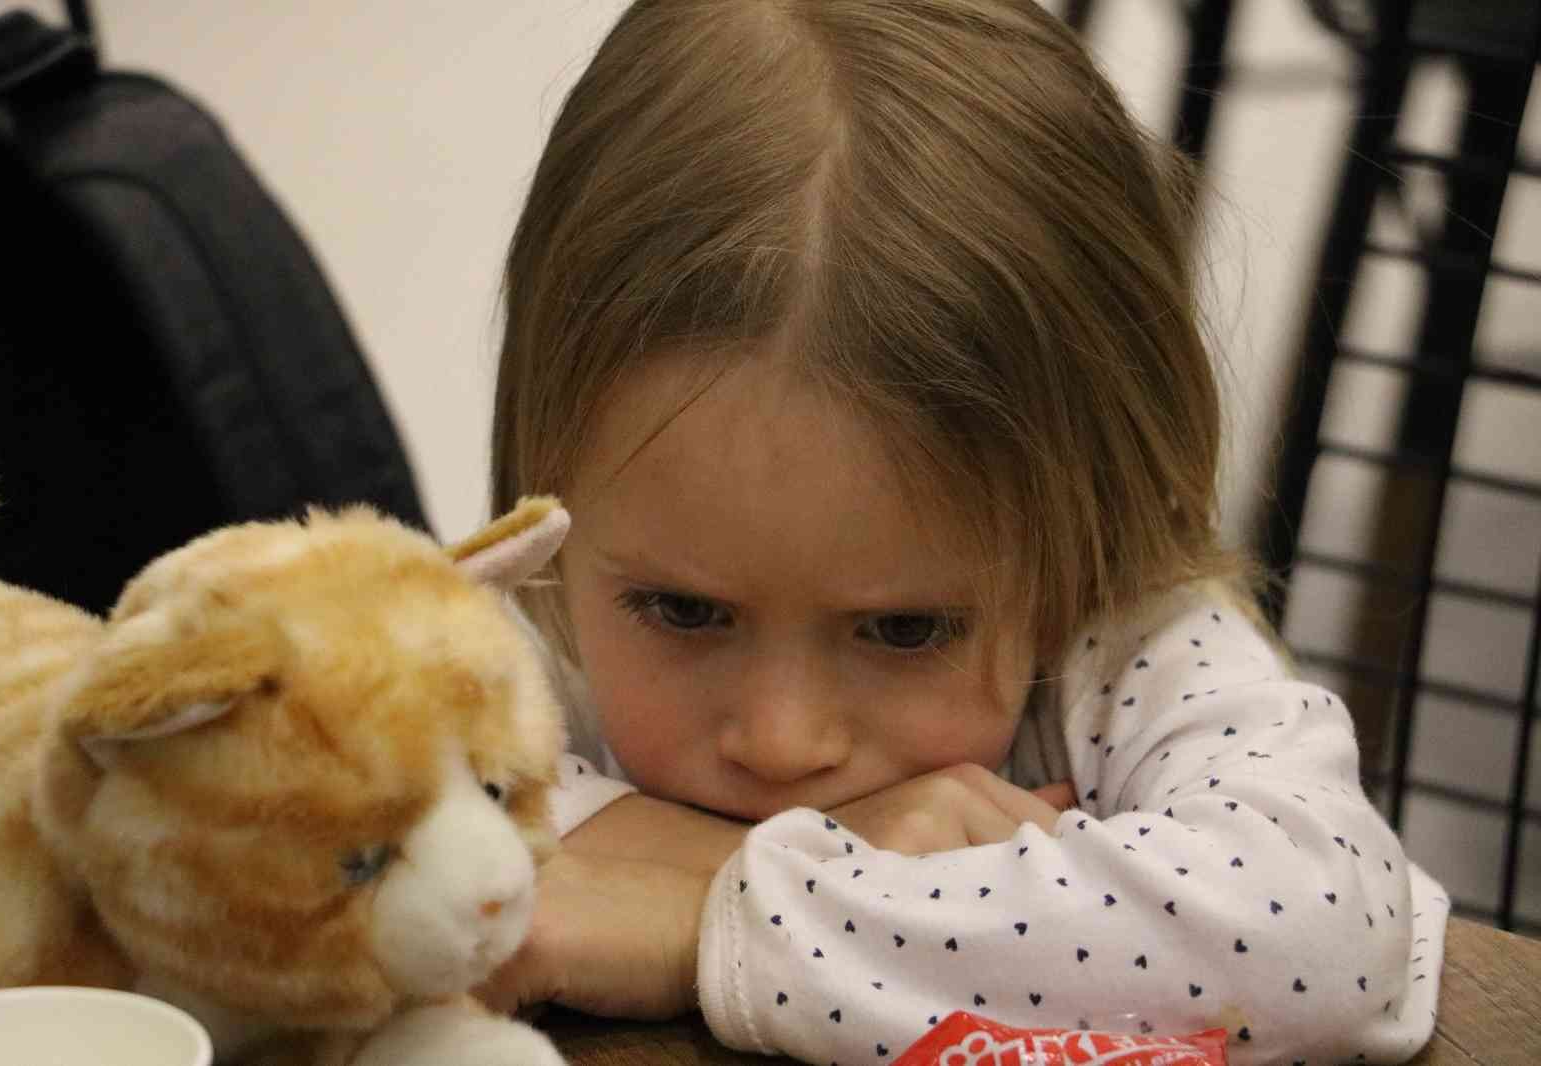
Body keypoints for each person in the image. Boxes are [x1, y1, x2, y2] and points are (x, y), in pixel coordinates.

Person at [478, 2, 1447, 1064]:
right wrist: (860, 872)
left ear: (1089, 526)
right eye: (683, 610)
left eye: (903, 631)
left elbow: (1323, 941)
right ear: (551, 488)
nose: (781, 740)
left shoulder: (1123, 636)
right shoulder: (520, 624)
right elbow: (298, 827)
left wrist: (722, 919)